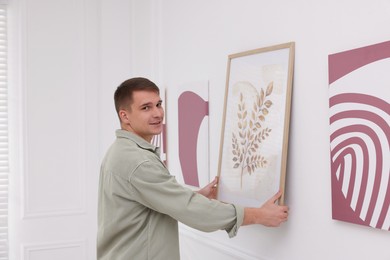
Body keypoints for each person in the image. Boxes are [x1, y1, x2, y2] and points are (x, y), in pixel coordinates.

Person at [97, 77, 289, 260]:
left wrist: (196, 195)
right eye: (146, 107)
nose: (157, 113)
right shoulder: (139, 162)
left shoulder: (119, 151)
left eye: (158, 104)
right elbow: (194, 212)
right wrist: (258, 215)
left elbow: (151, 202)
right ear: (125, 115)